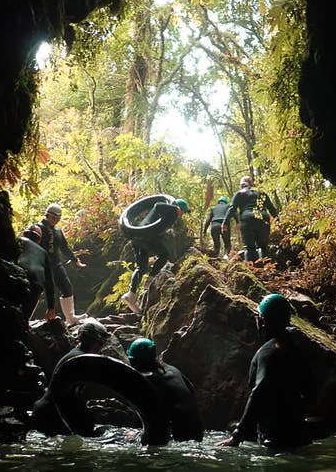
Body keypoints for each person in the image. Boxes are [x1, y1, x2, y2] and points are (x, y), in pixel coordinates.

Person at [216, 293, 313, 449]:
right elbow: (310, 388)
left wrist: (237, 436)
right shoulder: (295, 348)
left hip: (275, 440)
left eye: (258, 315)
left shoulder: (268, 352)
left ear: (263, 321)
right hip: (299, 436)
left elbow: (259, 392)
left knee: (232, 429)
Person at [30, 318, 110, 436]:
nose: (101, 347)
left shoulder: (75, 354)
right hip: (52, 414)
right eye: (99, 343)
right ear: (89, 341)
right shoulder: (81, 360)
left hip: (47, 410)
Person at [126, 337, 204, 442]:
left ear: (134, 361)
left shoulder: (146, 379)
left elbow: (148, 412)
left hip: (176, 438)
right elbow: (191, 390)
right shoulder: (173, 370)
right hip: (198, 434)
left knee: (128, 436)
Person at [121, 198, 190, 314]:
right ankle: (150, 278)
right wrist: (175, 208)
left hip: (138, 239)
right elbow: (157, 205)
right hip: (147, 236)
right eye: (183, 211)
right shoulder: (170, 210)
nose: (182, 214)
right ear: (180, 208)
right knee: (164, 255)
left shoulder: (167, 216)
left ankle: (131, 294)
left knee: (141, 267)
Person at [36, 203, 87, 326]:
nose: (56, 220)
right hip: (41, 265)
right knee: (40, 290)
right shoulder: (38, 228)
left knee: (67, 287)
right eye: (53, 217)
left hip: (56, 264)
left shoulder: (58, 230)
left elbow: (64, 247)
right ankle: (29, 317)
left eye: (58, 218)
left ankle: (70, 317)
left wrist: (75, 260)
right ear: (47, 215)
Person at [223, 176, 279, 262]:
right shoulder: (261, 193)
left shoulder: (240, 193)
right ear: (252, 183)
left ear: (242, 185)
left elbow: (232, 209)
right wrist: (278, 221)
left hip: (247, 220)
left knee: (249, 248)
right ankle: (267, 270)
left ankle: (252, 271)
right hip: (263, 218)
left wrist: (225, 222)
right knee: (263, 246)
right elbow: (271, 209)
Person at [18, 224, 57, 321]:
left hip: (17, 275)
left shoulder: (18, 241)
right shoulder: (44, 253)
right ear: (39, 240)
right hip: (36, 285)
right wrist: (51, 307)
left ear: (24, 234)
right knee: (23, 319)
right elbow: (49, 282)